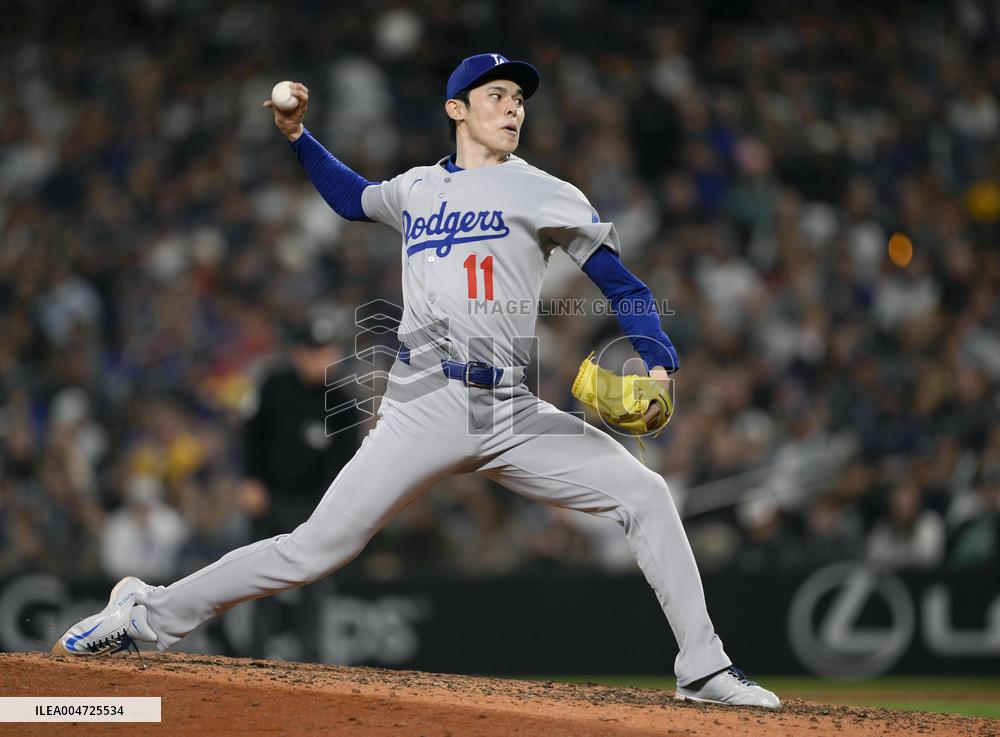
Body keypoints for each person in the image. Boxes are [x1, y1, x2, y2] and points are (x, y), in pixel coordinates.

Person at [52, 53, 779, 709]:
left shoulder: (546, 191)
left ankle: (704, 667)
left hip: (511, 409)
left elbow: (621, 283)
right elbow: (351, 197)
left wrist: (657, 356)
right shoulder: (416, 189)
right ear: (456, 108)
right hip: (422, 402)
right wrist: (300, 137)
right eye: (496, 95)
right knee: (312, 549)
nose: (514, 107)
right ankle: (145, 615)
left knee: (646, 493)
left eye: (519, 98)